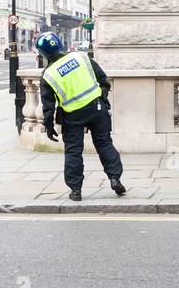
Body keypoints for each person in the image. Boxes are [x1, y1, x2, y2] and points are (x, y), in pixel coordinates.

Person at [36, 31, 126, 201]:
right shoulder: (80, 57)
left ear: (43, 54)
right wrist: (102, 97)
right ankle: (115, 178)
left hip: (72, 115)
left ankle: (76, 190)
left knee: (73, 152)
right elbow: (102, 78)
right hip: (96, 108)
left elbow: (48, 105)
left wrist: (48, 125)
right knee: (104, 143)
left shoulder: (48, 75)